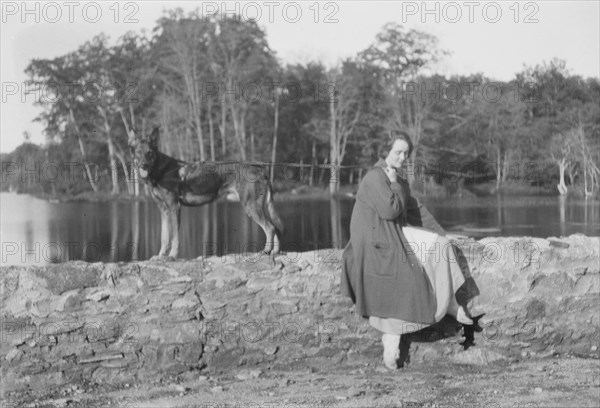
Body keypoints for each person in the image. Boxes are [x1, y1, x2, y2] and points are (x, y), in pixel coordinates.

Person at [341, 131, 473, 370]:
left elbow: (415, 210)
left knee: (441, 246)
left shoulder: (396, 178)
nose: (403, 157)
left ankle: (450, 302)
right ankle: (391, 338)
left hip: (393, 233)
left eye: (406, 153)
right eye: (397, 152)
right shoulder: (375, 177)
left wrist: (443, 234)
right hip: (375, 242)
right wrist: (392, 183)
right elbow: (390, 210)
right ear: (385, 152)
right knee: (407, 274)